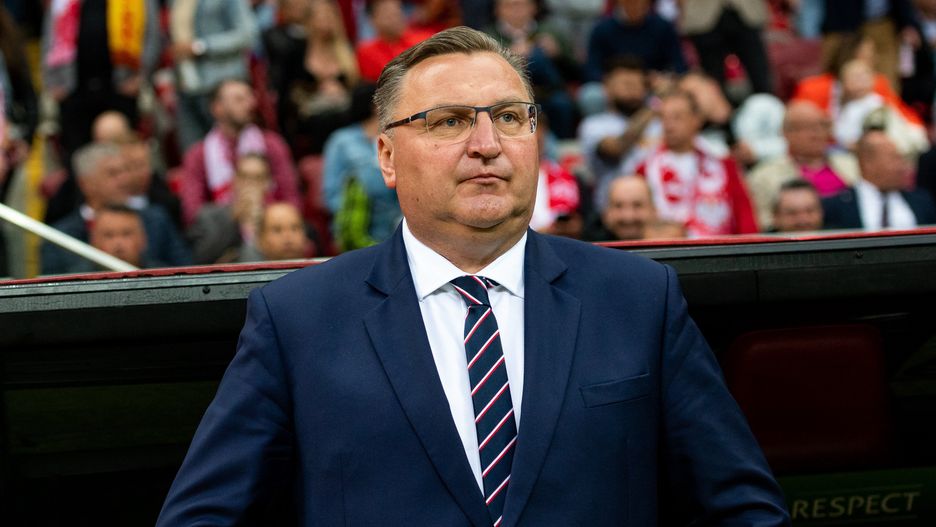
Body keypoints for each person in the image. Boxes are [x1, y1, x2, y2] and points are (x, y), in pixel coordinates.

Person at [156, 27, 790, 526]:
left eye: (510, 117)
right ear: (387, 157)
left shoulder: (639, 298)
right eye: (450, 120)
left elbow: (743, 507)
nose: (487, 143)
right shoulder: (297, 319)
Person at [41, 143, 192, 275]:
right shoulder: (58, 237)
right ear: (85, 184)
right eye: (113, 173)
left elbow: (186, 273)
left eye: (126, 171)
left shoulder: (156, 219)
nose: (125, 179)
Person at [179, 78, 301, 226]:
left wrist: (261, 208)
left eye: (250, 97)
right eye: (239, 99)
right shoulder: (198, 155)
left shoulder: (272, 144)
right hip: (223, 231)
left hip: (271, 225)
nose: (250, 104)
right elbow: (193, 212)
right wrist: (237, 212)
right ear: (217, 108)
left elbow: (291, 198)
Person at [637, 90, 759, 237]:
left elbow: (744, 216)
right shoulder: (645, 168)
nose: (668, 125)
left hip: (715, 245)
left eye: (677, 117)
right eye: (663, 118)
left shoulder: (724, 166)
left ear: (696, 120)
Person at [747, 100, 861, 230]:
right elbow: (762, 223)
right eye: (807, 127)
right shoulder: (764, 176)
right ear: (785, 133)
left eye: (822, 125)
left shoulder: (853, 165)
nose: (816, 133)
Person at [169, 0, 258, 152]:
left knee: (232, 152)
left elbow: (247, 34)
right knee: (193, 154)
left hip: (221, 87)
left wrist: (201, 47)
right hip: (186, 88)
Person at [577, 55, 661, 209]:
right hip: (611, 213)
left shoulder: (660, 123)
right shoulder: (594, 125)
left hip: (657, 210)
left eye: (637, 83)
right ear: (607, 87)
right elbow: (616, 149)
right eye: (625, 83)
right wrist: (654, 106)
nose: (632, 89)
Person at [823, 129, 936, 229]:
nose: (902, 166)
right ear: (867, 163)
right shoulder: (836, 207)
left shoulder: (922, 201)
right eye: (894, 158)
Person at [355, 0, 434, 82]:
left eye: (397, 11)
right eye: (387, 14)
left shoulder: (424, 39)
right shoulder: (366, 52)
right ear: (373, 20)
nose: (395, 18)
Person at [583, 174, 657, 241]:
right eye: (618, 206)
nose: (628, 217)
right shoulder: (588, 248)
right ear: (606, 213)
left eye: (637, 205)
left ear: (654, 210)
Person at [88, 203, 158, 269]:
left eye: (126, 234)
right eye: (109, 235)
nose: (118, 243)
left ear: (142, 238)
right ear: (94, 241)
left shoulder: (162, 274)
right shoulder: (82, 275)